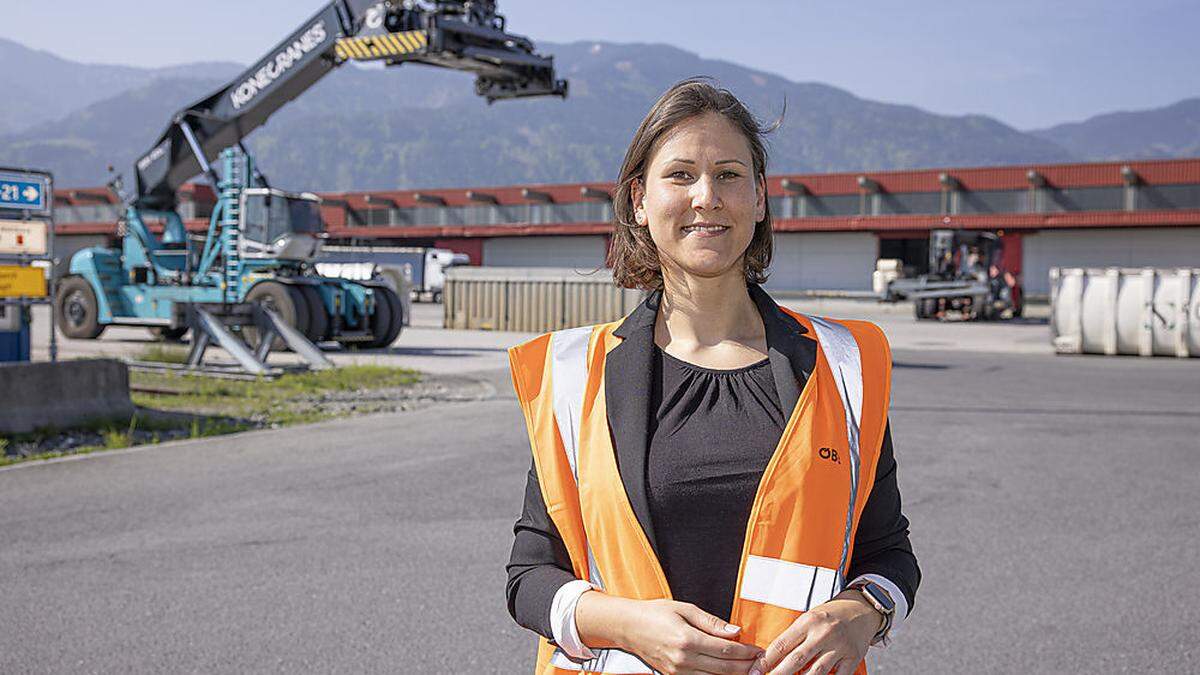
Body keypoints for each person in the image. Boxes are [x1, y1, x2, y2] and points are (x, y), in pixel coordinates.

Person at [506, 79, 920, 675]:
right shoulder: (577, 377)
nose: (707, 197)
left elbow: (889, 553)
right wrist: (629, 626)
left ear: (758, 197)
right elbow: (529, 578)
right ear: (638, 202)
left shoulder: (842, 365)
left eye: (729, 175)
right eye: (680, 175)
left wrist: (862, 612)